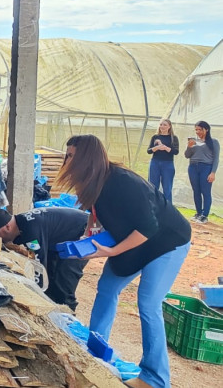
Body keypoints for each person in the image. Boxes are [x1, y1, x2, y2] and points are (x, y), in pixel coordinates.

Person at [55, 134, 190, 388]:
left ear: (86, 157)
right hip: (134, 240)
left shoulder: (122, 182)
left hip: (166, 242)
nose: (67, 160)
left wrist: (113, 252)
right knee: (106, 289)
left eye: (71, 155)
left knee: (148, 303)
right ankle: (93, 355)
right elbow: (98, 212)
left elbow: (149, 227)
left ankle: (155, 379)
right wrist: (89, 234)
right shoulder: (93, 181)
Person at [0, 207, 88, 311]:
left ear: (7, 227)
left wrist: (34, 297)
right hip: (61, 237)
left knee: (64, 279)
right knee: (51, 275)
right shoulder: (21, 223)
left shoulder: (31, 231)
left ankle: (68, 316)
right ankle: (53, 306)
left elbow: (39, 267)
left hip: (81, 233)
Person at [184, 120, 218, 223]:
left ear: (206, 129)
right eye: (196, 130)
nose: (198, 132)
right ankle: (198, 213)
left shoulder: (213, 142)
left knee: (206, 191)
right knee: (196, 191)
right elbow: (187, 155)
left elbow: (216, 158)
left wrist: (213, 172)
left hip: (206, 167)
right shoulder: (194, 142)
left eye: (200, 129)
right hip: (193, 167)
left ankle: (204, 215)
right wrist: (189, 147)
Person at [146, 119, 178, 204]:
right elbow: (149, 151)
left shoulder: (173, 138)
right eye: (161, 124)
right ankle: (152, 204)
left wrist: (166, 148)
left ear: (169, 126)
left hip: (168, 164)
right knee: (152, 185)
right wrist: (156, 148)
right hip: (155, 162)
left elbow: (176, 151)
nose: (162, 127)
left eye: (164, 125)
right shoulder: (155, 137)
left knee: (167, 186)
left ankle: (168, 206)